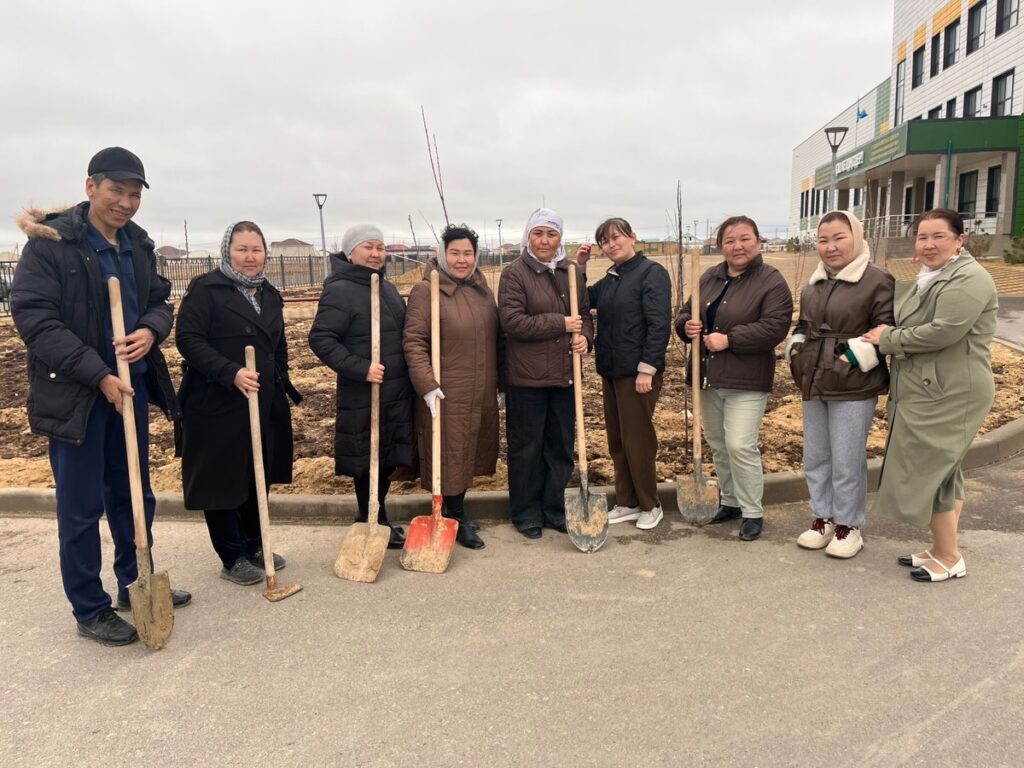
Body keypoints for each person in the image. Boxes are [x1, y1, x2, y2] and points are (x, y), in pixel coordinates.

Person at [11, 147, 190, 646]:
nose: (126, 203)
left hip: (130, 387)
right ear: (91, 187)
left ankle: (137, 579)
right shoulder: (53, 244)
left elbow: (159, 301)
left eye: (134, 194)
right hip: (76, 395)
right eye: (117, 191)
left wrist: (151, 331)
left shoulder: (137, 245)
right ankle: (89, 607)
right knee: (81, 504)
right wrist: (98, 374)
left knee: (134, 493)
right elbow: (36, 320)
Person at [862, 208, 997, 582]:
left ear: (959, 240)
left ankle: (951, 556)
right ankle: (940, 547)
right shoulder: (931, 276)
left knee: (932, 472)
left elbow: (943, 332)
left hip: (953, 391)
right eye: (923, 236)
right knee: (946, 471)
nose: (929, 244)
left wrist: (887, 340)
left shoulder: (969, 279)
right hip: (930, 388)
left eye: (939, 236)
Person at [175, 222, 301, 585]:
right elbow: (189, 339)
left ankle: (255, 542)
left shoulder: (270, 295)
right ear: (227, 250)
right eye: (242, 249)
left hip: (263, 401)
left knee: (255, 475)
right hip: (217, 402)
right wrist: (230, 372)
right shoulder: (207, 290)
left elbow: (278, 345)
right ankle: (232, 554)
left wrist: (279, 377)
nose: (250, 257)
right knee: (223, 478)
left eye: (256, 249)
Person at [676, 215, 793, 542]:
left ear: (758, 242)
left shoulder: (771, 281)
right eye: (729, 241)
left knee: (740, 444)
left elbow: (775, 327)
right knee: (719, 444)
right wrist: (687, 326)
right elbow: (686, 313)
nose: (737, 246)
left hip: (746, 379)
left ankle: (752, 510)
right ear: (720, 246)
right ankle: (729, 501)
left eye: (744, 239)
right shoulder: (710, 277)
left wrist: (731, 339)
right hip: (708, 377)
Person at [786, 210, 894, 558]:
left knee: (847, 458)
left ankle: (849, 525)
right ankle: (823, 516)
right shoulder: (813, 284)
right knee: (817, 455)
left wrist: (850, 356)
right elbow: (803, 323)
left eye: (839, 238)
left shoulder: (877, 280)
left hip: (853, 382)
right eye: (823, 240)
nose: (831, 247)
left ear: (856, 237)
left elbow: (885, 329)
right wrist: (796, 347)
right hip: (814, 377)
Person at [309, 225, 415, 548]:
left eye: (380, 247)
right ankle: (371, 518)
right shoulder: (339, 289)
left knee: (387, 456)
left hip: (394, 391)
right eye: (368, 247)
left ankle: (376, 514)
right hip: (363, 391)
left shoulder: (388, 289)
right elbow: (321, 338)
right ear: (350, 251)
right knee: (366, 459)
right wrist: (361, 368)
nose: (375, 253)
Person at [403, 224, 502, 549]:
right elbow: (414, 341)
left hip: (480, 389)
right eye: (455, 252)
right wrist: (427, 384)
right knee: (449, 454)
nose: (462, 259)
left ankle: (456, 510)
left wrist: (500, 383)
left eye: (468, 253)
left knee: (469, 451)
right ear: (442, 254)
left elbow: (496, 339)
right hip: (445, 392)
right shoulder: (426, 290)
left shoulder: (482, 290)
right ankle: (455, 516)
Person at [498, 208, 593, 539]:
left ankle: (553, 509)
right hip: (528, 379)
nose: (544, 240)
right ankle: (525, 512)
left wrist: (585, 339)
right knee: (527, 448)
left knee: (560, 447)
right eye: (538, 233)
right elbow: (512, 321)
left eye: (551, 235)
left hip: (565, 377)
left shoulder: (571, 272)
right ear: (528, 237)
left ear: (559, 240)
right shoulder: (515, 274)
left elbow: (585, 317)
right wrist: (561, 323)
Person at [576, 218, 671, 530]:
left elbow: (659, 325)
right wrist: (579, 267)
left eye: (616, 237)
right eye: (605, 240)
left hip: (637, 374)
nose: (611, 244)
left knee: (638, 440)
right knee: (618, 441)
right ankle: (627, 501)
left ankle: (650, 504)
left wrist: (647, 368)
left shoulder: (651, 273)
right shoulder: (612, 279)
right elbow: (582, 299)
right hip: (612, 371)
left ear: (633, 238)